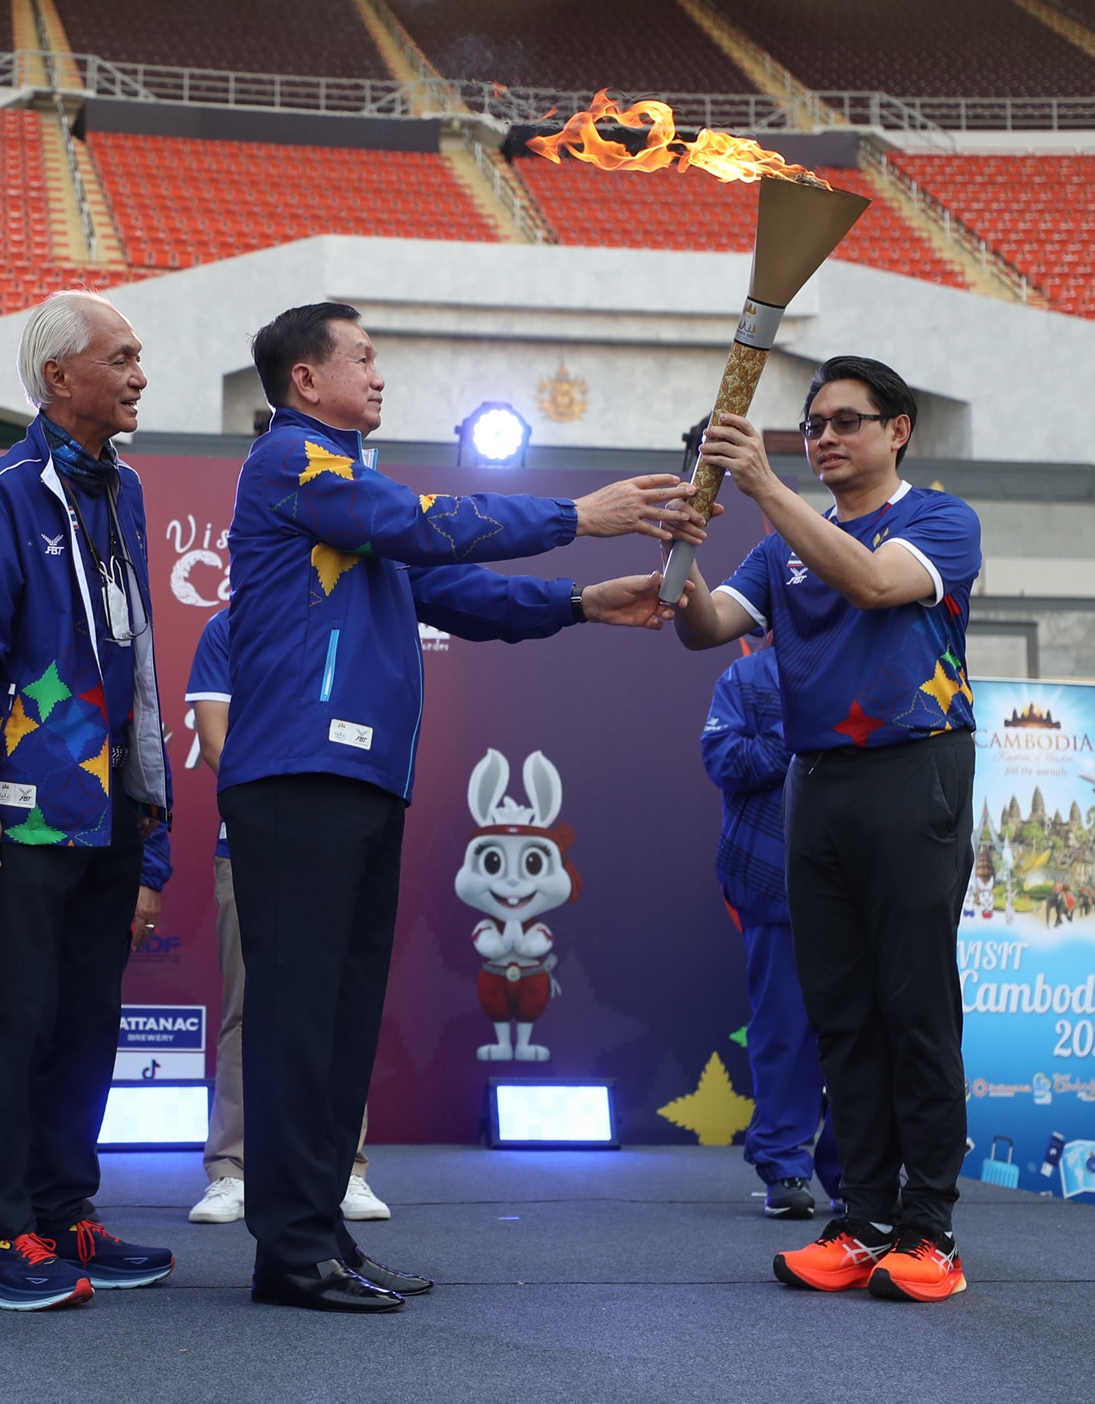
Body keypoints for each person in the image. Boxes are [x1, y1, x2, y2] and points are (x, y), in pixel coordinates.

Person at [220, 302, 701, 1313]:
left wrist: (582, 601)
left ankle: (320, 1235)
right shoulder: (293, 463)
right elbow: (423, 525)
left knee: (341, 1025)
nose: (378, 374)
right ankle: (289, 1250)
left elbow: (456, 594)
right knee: (299, 1024)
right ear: (305, 380)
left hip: (359, 783)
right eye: (362, 357)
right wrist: (578, 516)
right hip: (298, 777)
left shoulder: (350, 490)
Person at [674, 355, 981, 1304]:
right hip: (814, 784)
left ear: (898, 430)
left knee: (913, 1009)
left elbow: (876, 585)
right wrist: (682, 553)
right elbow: (705, 626)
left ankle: (929, 1232)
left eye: (847, 421)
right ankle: (862, 1223)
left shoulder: (939, 520)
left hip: (914, 769)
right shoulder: (780, 552)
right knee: (840, 1012)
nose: (826, 438)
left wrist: (765, 485)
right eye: (814, 426)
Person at [0, 290, 174, 1311]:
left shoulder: (126, 491)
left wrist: (150, 831)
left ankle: (63, 1212)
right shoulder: (0, 492)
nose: (139, 376)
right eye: (120, 359)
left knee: (85, 1025)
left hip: (110, 809)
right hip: (22, 812)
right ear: (59, 377)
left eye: (138, 358)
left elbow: (139, 663)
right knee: (16, 1024)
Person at [183, 607, 388, 1227]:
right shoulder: (229, 627)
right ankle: (232, 1170)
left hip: (337, 846)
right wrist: (280, 814)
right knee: (248, 1010)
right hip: (252, 844)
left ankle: (344, 1170)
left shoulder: (357, 626)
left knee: (336, 1009)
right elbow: (214, 740)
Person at [701, 642, 842, 1219]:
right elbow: (722, 760)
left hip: (856, 879)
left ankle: (857, 1176)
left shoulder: (863, 666)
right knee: (785, 1030)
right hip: (771, 878)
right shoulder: (745, 677)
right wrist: (798, 730)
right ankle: (784, 1167)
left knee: (861, 1035)